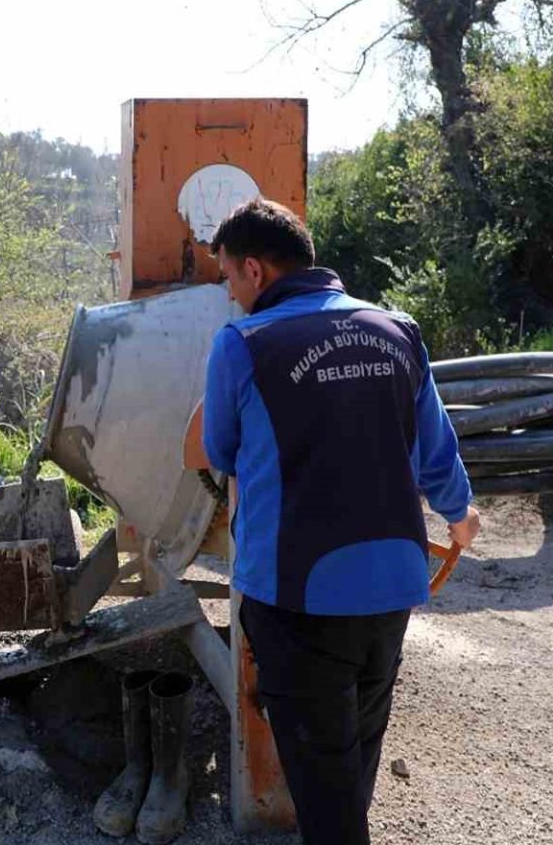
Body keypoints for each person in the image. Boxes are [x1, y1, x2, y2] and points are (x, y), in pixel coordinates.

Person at [200, 200, 480, 845]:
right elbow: (435, 450)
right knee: (354, 753)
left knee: (322, 777)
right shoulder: (398, 330)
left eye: (229, 277)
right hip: (392, 585)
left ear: (254, 270)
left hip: (297, 593)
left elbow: (220, 450)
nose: (230, 293)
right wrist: (460, 515)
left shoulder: (243, 344)